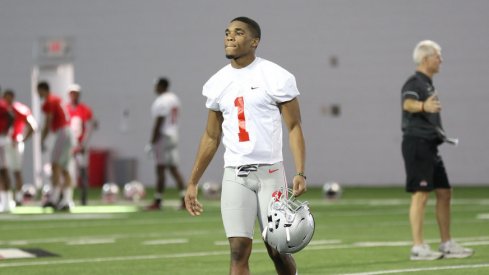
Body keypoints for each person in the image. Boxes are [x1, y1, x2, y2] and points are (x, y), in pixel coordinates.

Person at [185, 17, 306, 275]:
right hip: (235, 174)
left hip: (270, 173)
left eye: (238, 33)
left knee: (277, 248)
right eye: (227, 32)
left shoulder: (275, 76)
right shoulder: (217, 82)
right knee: (238, 249)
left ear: (255, 41)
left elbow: (294, 127)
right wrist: (193, 182)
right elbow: (210, 136)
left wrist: (300, 171)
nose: (230, 37)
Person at [401, 40, 474, 260]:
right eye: (438, 56)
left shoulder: (428, 84)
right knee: (421, 194)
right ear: (426, 59)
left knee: (444, 192)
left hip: (430, 146)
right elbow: (407, 104)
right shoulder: (415, 82)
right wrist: (423, 106)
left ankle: (446, 243)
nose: (441, 60)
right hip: (417, 143)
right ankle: (418, 247)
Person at [146, 77, 186, 210]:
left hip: (163, 136)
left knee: (160, 168)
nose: (154, 88)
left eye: (156, 85)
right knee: (173, 168)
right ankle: (184, 198)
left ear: (162, 86)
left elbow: (159, 122)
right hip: (174, 134)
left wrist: (152, 142)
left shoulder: (161, 101)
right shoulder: (174, 98)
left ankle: (157, 201)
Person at [37, 81, 75, 211]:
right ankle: (67, 199)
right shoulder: (57, 99)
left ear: (43, 90)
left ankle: (55, 198)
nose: (38, 94)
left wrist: (42, 139)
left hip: (62, 133)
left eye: (39, 91)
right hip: (68, 132)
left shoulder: (49, 101)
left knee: (55, 165)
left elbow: (48, 121)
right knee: (64, 168)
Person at [3, 89, 38, 206]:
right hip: (4, 143)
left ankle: (17, 198)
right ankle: (6, 198)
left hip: (14, 143)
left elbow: (32, 126)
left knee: (15, 170)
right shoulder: (3, 108)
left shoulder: (19, 109)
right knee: (4, 171)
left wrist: (21, 138)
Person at [66, 84, 96, 205]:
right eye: (72, 93)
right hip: (68, 145)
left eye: (76, 93)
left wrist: (83, 144)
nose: (74, 95)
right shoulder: (65, 108)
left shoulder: (85, 109)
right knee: (66, 171)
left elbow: (89, 127)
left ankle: (84, 198)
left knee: (83, 171)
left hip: (81, 144)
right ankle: (67, 197)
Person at [0, 91, 14, 212]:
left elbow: (11, 116)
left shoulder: (2, 104)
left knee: (3, 171)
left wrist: (5, 130)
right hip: (2, 139)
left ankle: (6, 202)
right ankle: (6, 200)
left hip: (2, 140)